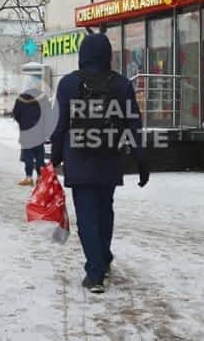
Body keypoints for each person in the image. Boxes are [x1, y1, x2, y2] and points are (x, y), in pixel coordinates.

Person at [51, 32, 150, 294]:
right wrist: (141, 160)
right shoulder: (120, 84)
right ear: (108, 55)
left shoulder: (68, 84)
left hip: (79, 159)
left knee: (86, 216)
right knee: (105, 210)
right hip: (110, 159)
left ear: (82, 55)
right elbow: (133, 124)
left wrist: (55, 158)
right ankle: (102, 259)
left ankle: (95, 272)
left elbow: (60, 126)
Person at [12, 77, 49, 187]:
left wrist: (23, 123)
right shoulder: (43, 98)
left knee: (28, 155)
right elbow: (47, 114)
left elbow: (16, 114)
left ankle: (29, 177)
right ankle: (40, 177)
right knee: (40, 156)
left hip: (26, 131)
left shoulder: (20, 99)